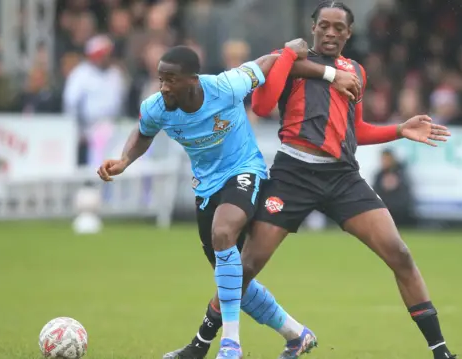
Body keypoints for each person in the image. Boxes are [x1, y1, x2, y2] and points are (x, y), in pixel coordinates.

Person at [97, 43, 361, 359]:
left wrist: (330, 74)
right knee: (231, 279)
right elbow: (143, 132)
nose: (163, 86)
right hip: (207, 188)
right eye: (160, 79)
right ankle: (295, 334)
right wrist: (125, 160)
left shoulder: (225, 86)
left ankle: (230, 345)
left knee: (223, 233)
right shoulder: (157, 106)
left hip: (244, 170)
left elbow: (270, 62)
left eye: (170, 79)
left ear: (192, 79)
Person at [245, 2, 458, 359]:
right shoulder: (287, 60)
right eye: (324, 25)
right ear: (312, 27)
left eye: (338, 28)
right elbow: (261, 106)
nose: (330, 33)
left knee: (400, 254)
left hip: (341, 176)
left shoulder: (354, 70)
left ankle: (441, 352)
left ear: (349, 33)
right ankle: (203, 342)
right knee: (247, 265)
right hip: (292, 173)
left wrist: (399, 130)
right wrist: (286, 56)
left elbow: (354, 130)